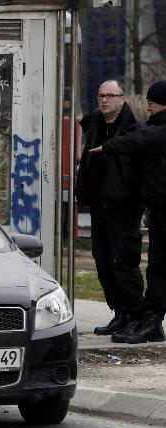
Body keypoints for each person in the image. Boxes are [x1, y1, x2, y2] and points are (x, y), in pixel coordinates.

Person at [92, 80, 166, 343]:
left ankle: (150, 320)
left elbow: (140, 139)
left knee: (154, 266)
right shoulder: (152, 128)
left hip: (140, 208)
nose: (148, 105)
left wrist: (109, 146)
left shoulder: (154, 131)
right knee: (155, 266)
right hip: (156, 208)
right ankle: (143, 318)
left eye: (152, 101)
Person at [74, 79, 146, 338]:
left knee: (124, 262)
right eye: (101, 95)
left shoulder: (134, 130)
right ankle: (120, 313)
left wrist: (134, 198)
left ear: (122, 99)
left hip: (124, 208)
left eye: (111, 96)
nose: (105, 100)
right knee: (103, 262)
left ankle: (135, 316)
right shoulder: (94, 125)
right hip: (98, 205)